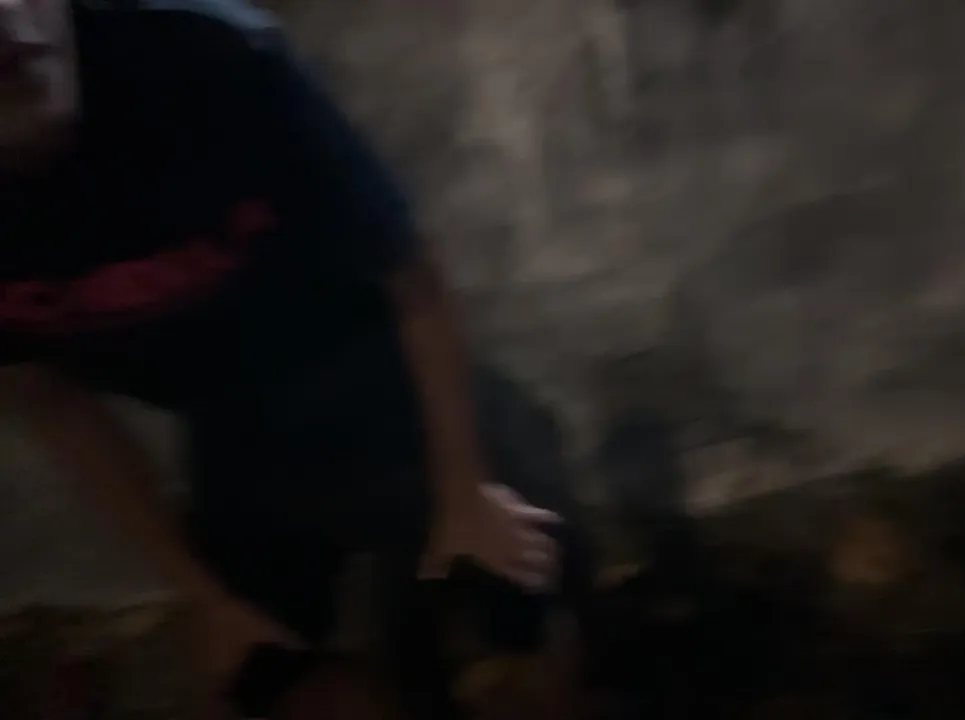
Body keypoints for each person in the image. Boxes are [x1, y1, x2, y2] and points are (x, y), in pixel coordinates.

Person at [0, 0, 589, 717]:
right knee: (260, 676)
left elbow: (411, 278)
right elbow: (51, 402)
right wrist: (206, 598)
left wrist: (465, 490)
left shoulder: (205, 53)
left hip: (382, 378)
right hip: (232, 429)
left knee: (520, 586)